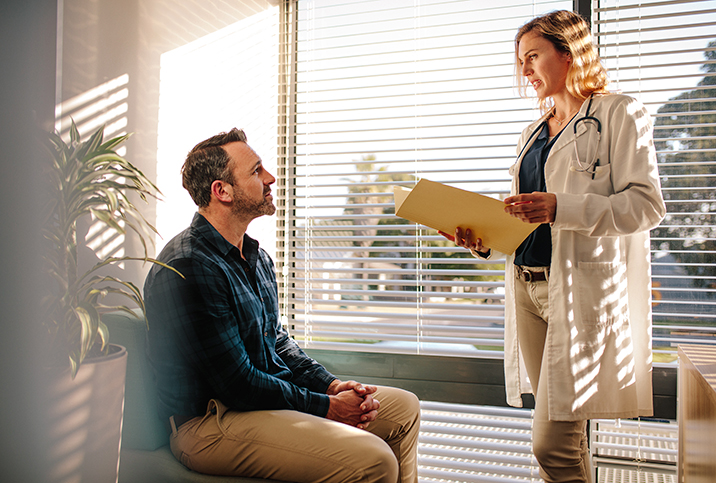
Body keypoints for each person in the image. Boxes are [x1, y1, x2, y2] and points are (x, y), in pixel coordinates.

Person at [440, 10, 666, 483]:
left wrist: (560, 207)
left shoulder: (619, 113)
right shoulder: (531, 135)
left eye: (533, 56)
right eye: (520, 61)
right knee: (565, 441)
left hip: (579, 291)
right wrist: (478, 239)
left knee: (552, 446)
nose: (524, 70)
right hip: (528, 289)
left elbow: (645, 207)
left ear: (569, 53)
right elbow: (525, 222)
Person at [144, 128, 420, 483]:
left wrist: (331, 386)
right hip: (209, 422)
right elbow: (236, 383)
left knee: (404, 408)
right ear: (222, 191)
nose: (270, 178)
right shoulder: (190, 265)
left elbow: (277, 342)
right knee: (374, 460)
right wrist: (327, 408)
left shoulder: (256, 258)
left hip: (255, 406)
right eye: (256, 171)